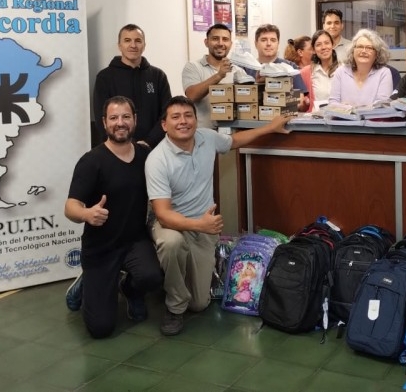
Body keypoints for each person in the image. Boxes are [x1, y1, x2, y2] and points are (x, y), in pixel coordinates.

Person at [145, 96, 292, 336]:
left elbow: (234, 141)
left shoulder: (206, 138)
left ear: (195, 119)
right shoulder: (157, 160)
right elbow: (163, 215)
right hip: (171, 224)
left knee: (200, 304)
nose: (183, 122)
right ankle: (174, 305)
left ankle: (176, 280)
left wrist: (269, 128)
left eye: (188, 115)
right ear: (164, 125)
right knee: (172, 244)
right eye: (175, 117)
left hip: (203, 227)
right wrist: (200, 225)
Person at [64, 96, 164, 339]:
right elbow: (70, 207)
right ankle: (88, 281)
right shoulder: (91, 161)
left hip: (134, 242)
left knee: (152, 278)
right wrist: (87, 213)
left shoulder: (145, 155)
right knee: (101, 329)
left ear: (135, 120)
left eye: (126, 117)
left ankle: (127, 288)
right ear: (104, 123)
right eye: (114, 118)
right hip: (101, 248)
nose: (121, 123)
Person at [93, 24, 172, 148]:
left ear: (144, 45)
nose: (133, 45)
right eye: (127, 40)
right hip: (118, 149)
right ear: (119, 45)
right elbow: (101, 117)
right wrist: (126, 144)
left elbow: (167, 113)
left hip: (154, 148)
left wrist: (148, 142)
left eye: (138, 41)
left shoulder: (158, 76)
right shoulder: (105, 77)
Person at [182, 23, 255, 129]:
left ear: (230, 44)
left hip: (231, 135)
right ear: (206, 42)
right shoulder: (193, 67)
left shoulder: (238, 71)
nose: (220, 43)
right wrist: (219, 76)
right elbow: (192, 96)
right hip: (202, 135)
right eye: (215, 39)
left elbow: (249, 102)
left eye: (225, 39)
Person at [329, 29, 393, 106]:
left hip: (372, 118)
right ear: (352, 51)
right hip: (344, 118)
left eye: (369, 48)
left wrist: (347, 108)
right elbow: (333, 103)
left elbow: (382, 106)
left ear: (377, 53)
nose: (363, 51)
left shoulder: (384, 73)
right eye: (359, 47)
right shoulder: (341, 72)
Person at [240, 24, 307, 91]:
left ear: (278, 44)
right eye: (263, 40)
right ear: (256, 43)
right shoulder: (245, 69)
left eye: (273, 40)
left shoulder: (291, 67)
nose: (269, 44)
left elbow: (300, 98)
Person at [298, 30, 340, 112]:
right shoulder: (305, 73)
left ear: (333, 45)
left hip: (339, 121)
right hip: (315, 122)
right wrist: (303, 104)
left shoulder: (343, 70)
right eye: (318, 45)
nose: (323, 47)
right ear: (313, 50)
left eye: (327, 43)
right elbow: (301, 107)